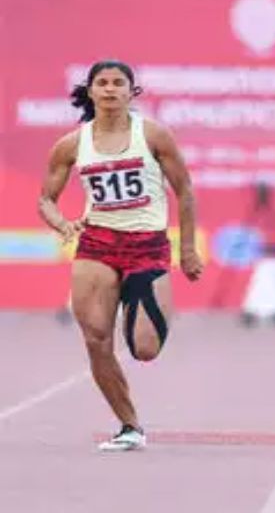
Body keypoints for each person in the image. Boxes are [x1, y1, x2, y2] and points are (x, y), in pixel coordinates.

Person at [38, 60, 203, 450]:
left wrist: (188, 250)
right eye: (102, 83)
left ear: (132, 92)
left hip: (147, 245)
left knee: (145, 349)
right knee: (97, 340)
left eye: (118, 83)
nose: (110, 89)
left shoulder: (153, 134)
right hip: (97, 244)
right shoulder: (71, 144)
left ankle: (137, 299)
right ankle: (130, 427)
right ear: (91, 91)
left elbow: (185, 190)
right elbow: (46, 199)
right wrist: (62, 224)